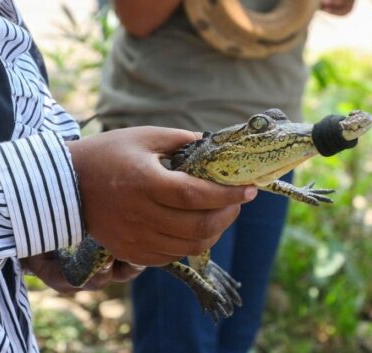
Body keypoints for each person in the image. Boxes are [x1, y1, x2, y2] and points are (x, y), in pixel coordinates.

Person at [0, 0, 257, 352]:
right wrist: (66, 186)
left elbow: (8, 93)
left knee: (238, 327)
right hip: (166, 123)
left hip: (0, 319)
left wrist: (44, 219)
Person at [97, 1, 356, 352]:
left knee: (239, 329)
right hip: (172, 137)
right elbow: (137, 17)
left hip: (275, 135)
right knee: (179, 338)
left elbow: (340, 6)